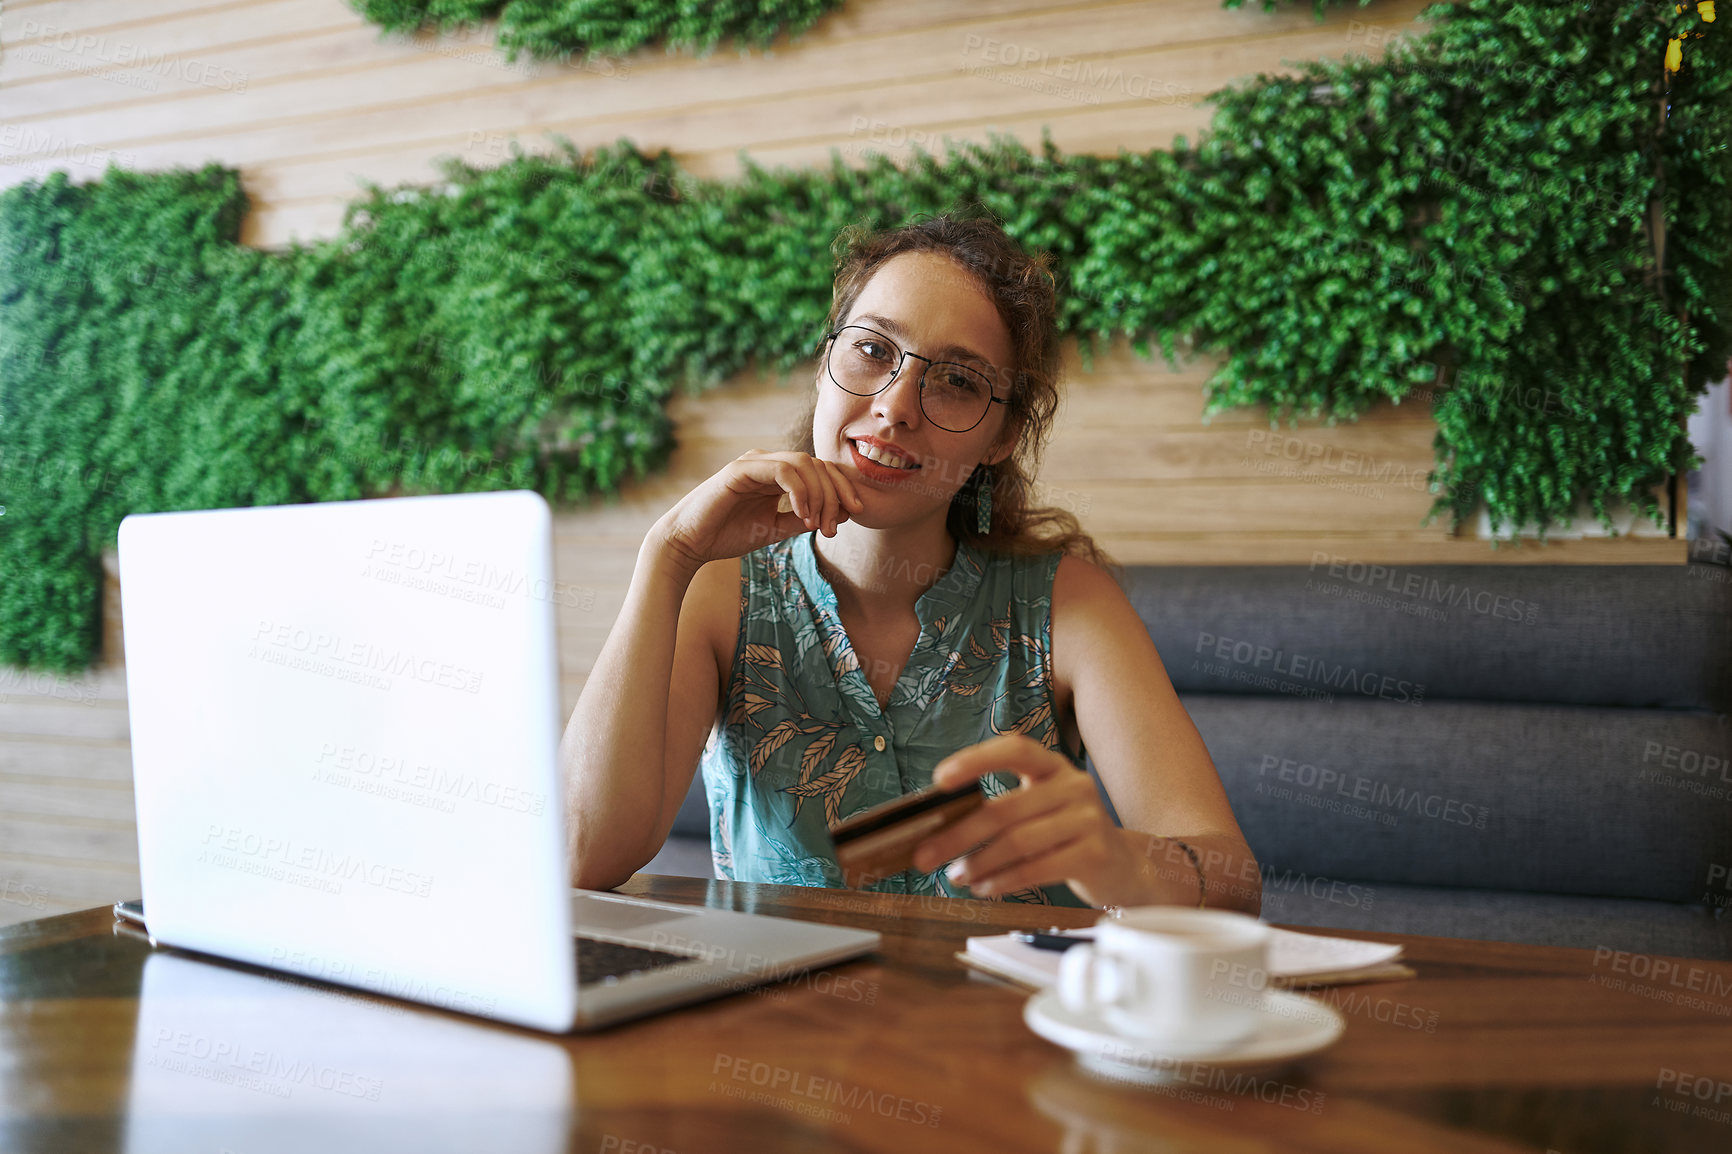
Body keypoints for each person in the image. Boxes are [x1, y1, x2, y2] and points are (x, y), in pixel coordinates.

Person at [563, 213, 1261, 913]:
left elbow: (1231, 882)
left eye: (956, 381)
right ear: (824, 364)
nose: (895, 406)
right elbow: (582, 855)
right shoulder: (720, 591)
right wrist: (668, 551)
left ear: (1003, 435)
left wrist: (1117, 860)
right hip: (773, 1016)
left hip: (1004, 1018)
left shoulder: (1066, 604)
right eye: (872, 349)